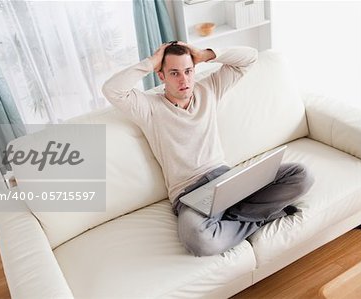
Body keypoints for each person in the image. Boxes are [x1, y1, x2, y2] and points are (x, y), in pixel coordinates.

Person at [102, 42, 313, 257]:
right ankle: (262, 216)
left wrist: (205, 54)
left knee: (301, 176)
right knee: (199, 240)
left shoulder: (208, 89)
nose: (184, 80)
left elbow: (249, 58)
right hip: (189, 195)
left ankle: (231, 220)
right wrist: (150, 62)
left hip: (227, 180)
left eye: (188, 71)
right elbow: (111, 89)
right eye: (174, 73)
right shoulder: (149, 108)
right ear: (161, 75)